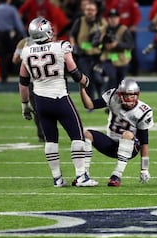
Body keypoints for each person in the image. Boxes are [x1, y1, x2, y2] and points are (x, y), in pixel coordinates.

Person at [18, 17, 98, 187]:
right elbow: (75, 73)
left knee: (51, 140)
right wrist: (85, 81)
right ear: (45, 31)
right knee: (77, 136)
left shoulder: (26, 51)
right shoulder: (61, 46)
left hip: (40, 101)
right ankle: (81, 176)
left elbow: (23, 83)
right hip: (60, 97)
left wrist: (25, 105)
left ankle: (57, 178)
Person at [78, 78, 154, 187]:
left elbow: (144, 143)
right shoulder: (113, 96)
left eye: (133, 96)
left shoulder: (143, 111)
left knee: (127, 134)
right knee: (86, 134)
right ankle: (83, 174)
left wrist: (144, 169)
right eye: (126, 96)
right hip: (111, 143)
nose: (130, 99)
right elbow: (89, 105)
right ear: (119, 94)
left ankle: (116, 176)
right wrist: (82, 89)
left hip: (131, 147)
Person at [69, 0, 107, 101]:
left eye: (92, 10)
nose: (90, 12)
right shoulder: (80, 21)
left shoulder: (101, 22)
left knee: (98, 78)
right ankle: (90, 101)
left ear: (96, 11)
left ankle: (101, 97)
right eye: (88, 9)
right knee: (87, 79)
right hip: (83, 55)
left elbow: (106, 35)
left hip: (97, 56)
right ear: (84, 10)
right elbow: (72, 35)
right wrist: (73, 45)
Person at [12, 36, 44, 142]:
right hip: (38, 80)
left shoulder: (26, 42)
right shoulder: (25, 42)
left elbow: (15, 59)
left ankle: (43, 133)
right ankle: (43, 133)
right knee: (40, 108)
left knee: (40, 109)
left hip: (38, 80)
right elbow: (15, 59)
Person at [0, 0, 26, 83]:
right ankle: (16, 72)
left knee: (1, 55)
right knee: (15, 52)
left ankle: (3, 75)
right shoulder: (12, 9)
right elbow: (18, 24)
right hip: (10, 34)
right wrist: (23, 34)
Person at [100, 8, 134, 90]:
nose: (113, 20)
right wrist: (103, 44)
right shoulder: (103, 29)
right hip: (108, 58)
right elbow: (95, 43)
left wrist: (117, 45)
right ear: (108, 19)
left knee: (120, 82)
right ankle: (108, 98)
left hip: (122, 60)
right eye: (111, 18)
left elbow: (130, 45)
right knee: (112, 77)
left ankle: (117, 99)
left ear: (119, 18)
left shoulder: (124, 30)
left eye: (115, 17)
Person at [105, 0, 141, 76]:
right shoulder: (115, 2)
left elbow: (137, 15)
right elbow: (110, 13)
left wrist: (134, 25)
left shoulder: (131, 2)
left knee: (131, 50)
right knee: (112, 50)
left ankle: (134, 70)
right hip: (116, 30)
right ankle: (112, 69)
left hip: (128, 30)